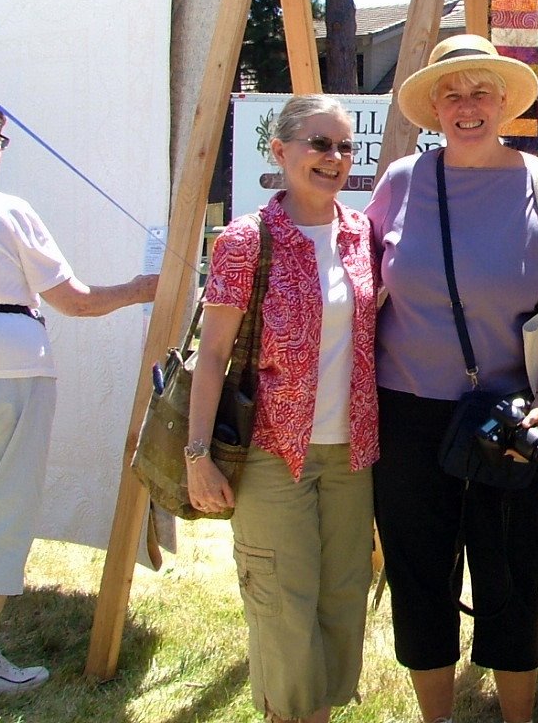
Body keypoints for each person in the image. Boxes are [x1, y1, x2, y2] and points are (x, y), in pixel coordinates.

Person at [367, 34, 538, 723]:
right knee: (417, 576)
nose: (466, 106)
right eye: (452, 94)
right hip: (405, 416)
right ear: (435, 107)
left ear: (503, 103)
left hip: (509, 417)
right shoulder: (402, 180)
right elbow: (355, 279)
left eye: (480, 93)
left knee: (509, 577)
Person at [186, 94, 378, 723]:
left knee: (342, 601)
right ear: (280, 150)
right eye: (319, 143)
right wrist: (197, 455)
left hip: (351, 455)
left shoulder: (361, 235)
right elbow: (212, 355)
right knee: (283, 610)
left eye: (344, 146)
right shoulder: (247, 240)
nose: (334, 157)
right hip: (273, 453)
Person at [0, 96, 158, 702]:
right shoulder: (6, 210)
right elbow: (76, 302)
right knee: (3, 510)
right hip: (11, 371)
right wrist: (140, 289)